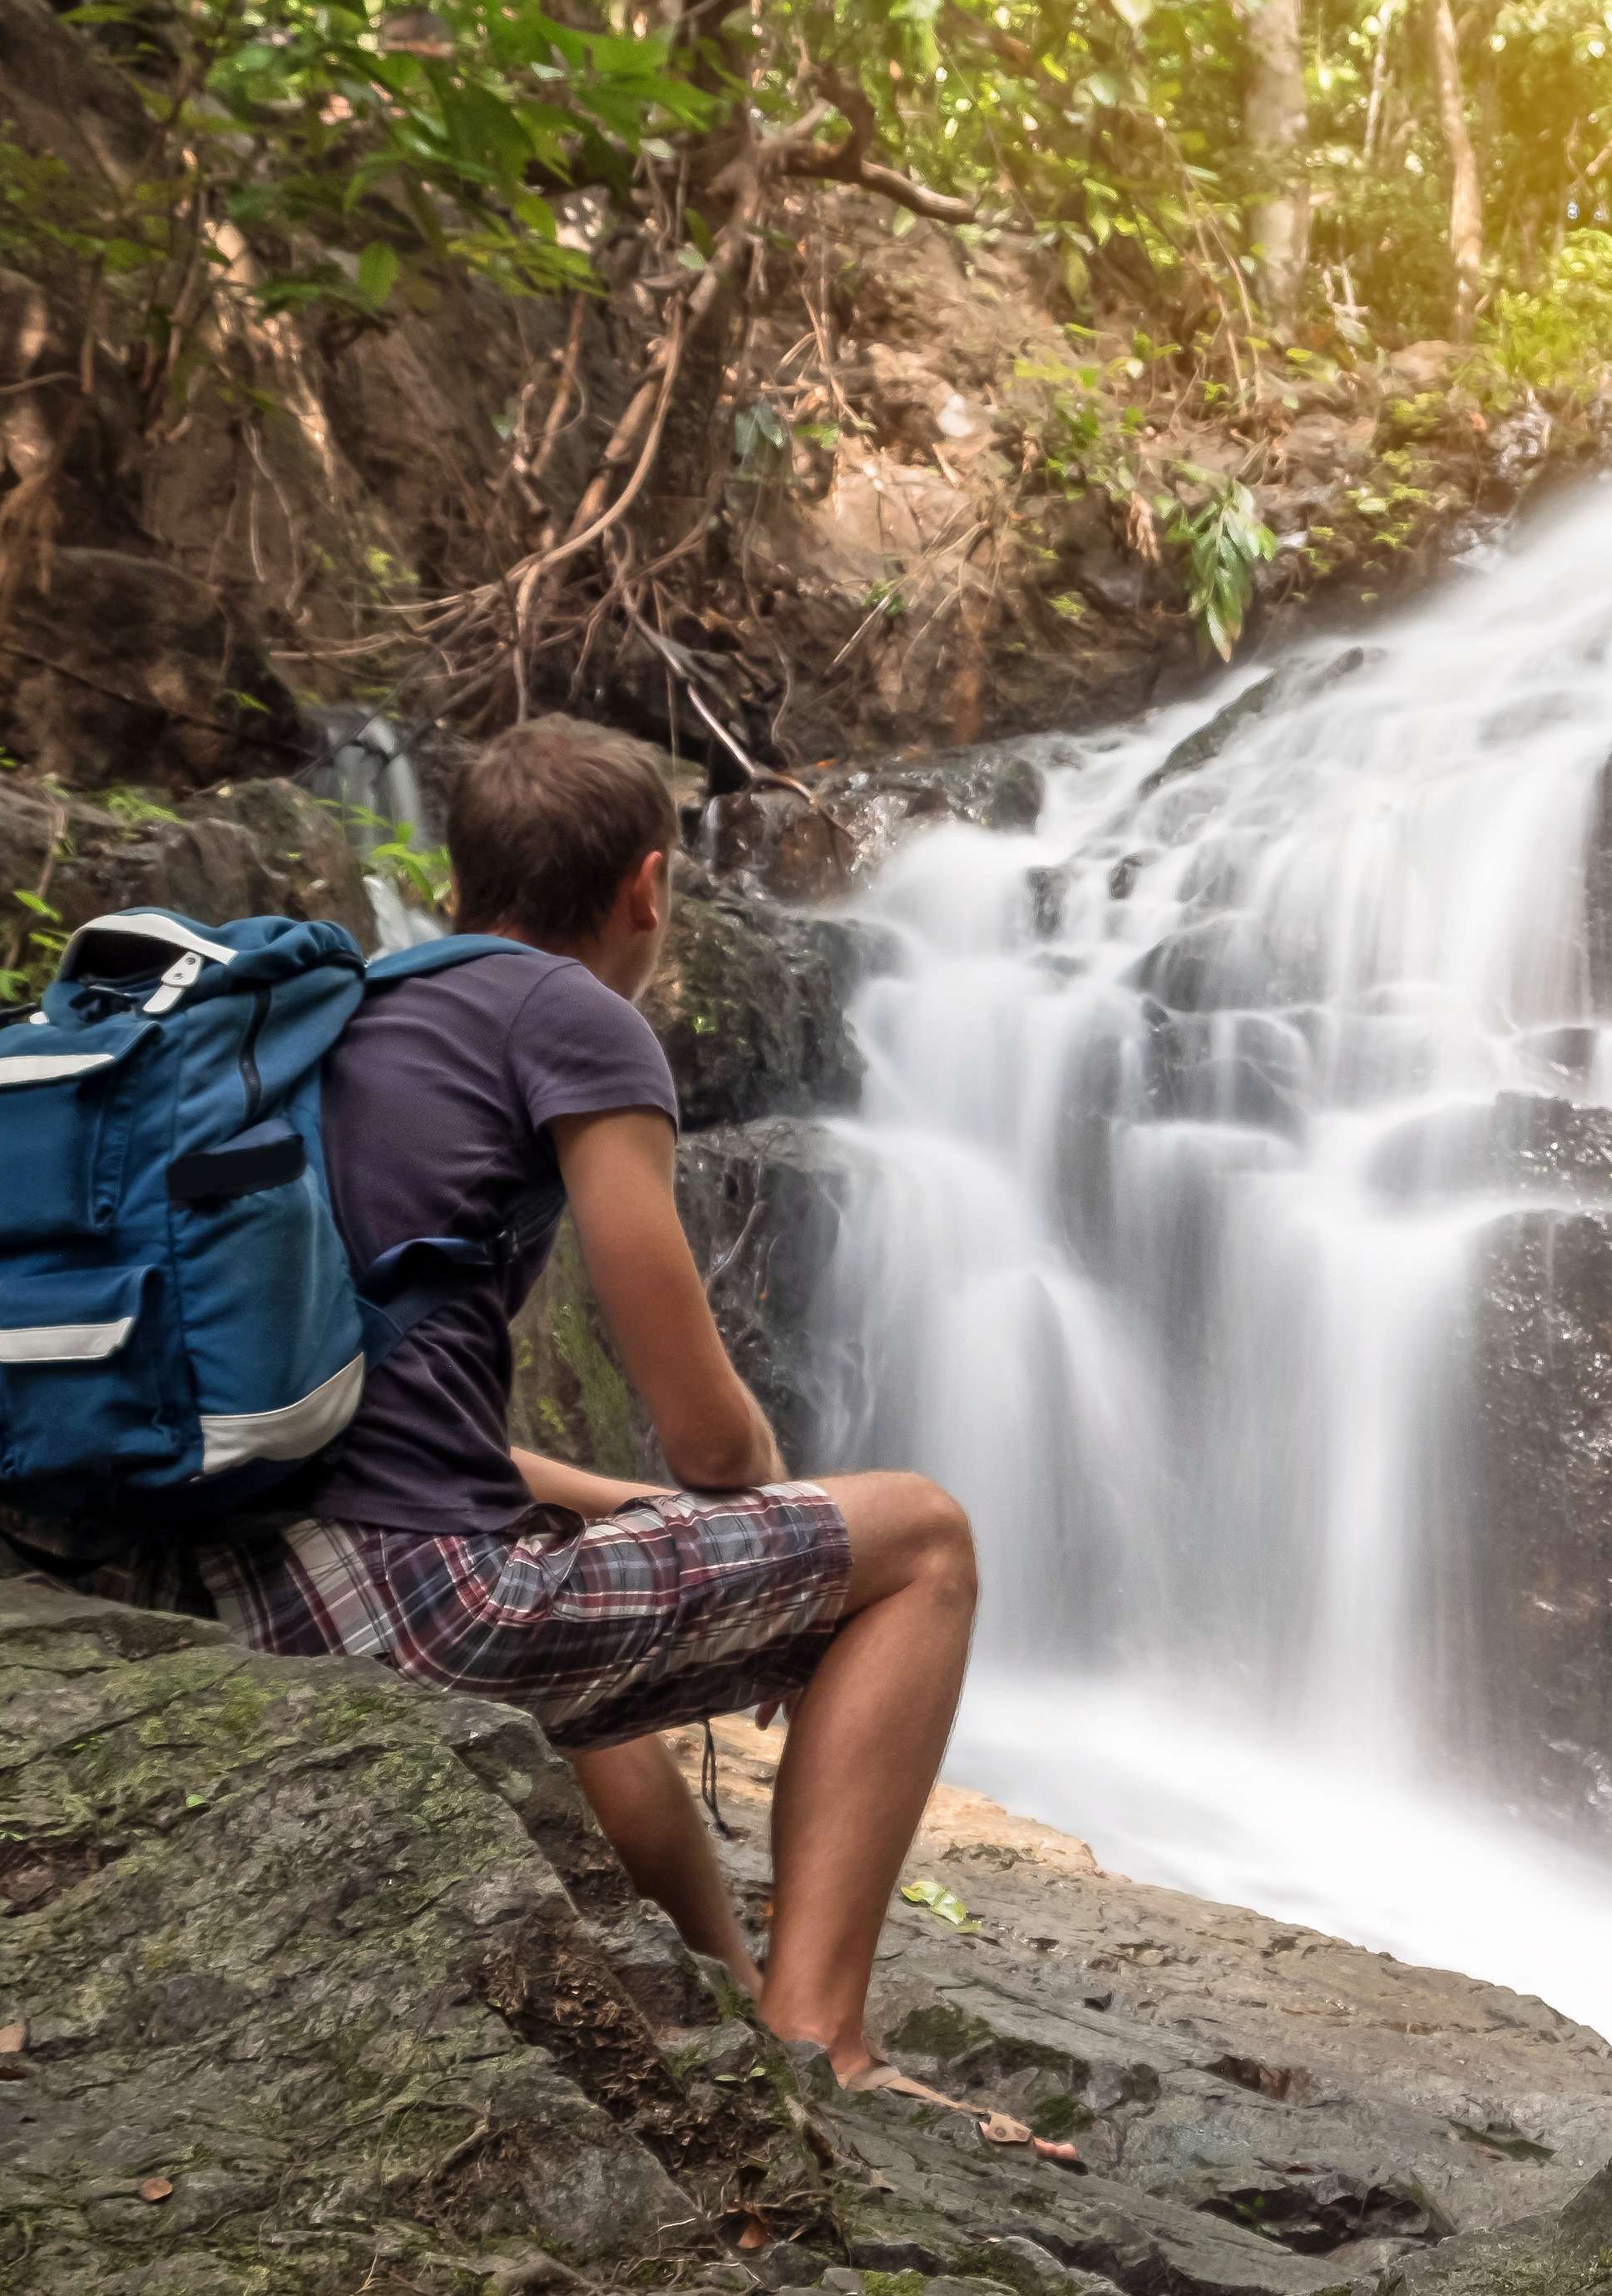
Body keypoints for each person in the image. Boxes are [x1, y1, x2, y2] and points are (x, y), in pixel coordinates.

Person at [112, 716, 1051, 2154]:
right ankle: (828, 2044)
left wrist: (622, 1514)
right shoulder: (573, 1017)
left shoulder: (351, 1015)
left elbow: (391, 1419)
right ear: (650, 888)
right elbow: (714, 1443)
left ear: (456, 873)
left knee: (575, 1612)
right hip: (411, 1607)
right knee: (920, 1540)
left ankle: (736, 2012)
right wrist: (801, 1572)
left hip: (241, 1570)